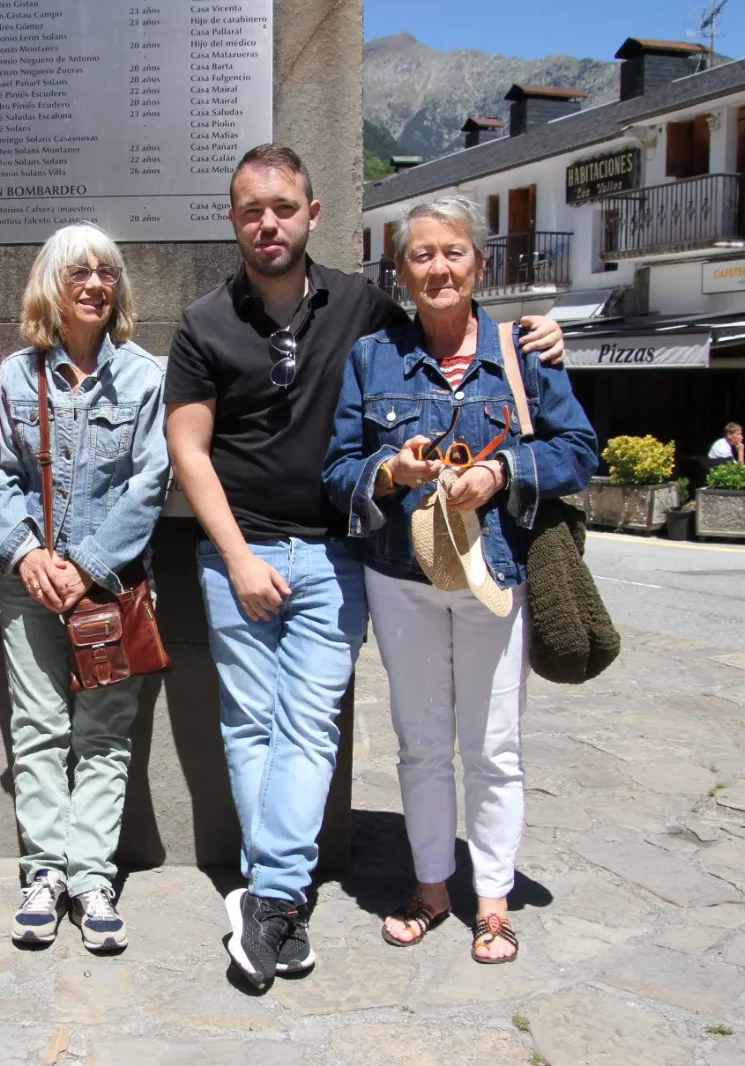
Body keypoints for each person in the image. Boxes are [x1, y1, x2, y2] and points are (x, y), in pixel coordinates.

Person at [163, 143, 567, 989]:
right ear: (232, 220)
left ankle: (269, 896)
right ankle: (279, 902)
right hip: (236, 556)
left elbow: (450, 331)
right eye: (249, 210)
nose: (266, 222)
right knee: (249, 727)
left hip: (339, 557)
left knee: (308, 727)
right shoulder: (203, 323)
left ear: (313, 215)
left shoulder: (363, 308)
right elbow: (187, 448)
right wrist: (236, 556)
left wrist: (537, 335)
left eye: (282, 207)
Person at [323, 195, 597, 965]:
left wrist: (505, 470)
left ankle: (493, 901)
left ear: (478, 262)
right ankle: (432, 886)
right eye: (421, 255)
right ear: (402, 271)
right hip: (402, 576)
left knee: (494, 746)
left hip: (493, 574)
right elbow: (339, 466)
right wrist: (389, 470)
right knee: (420, 741)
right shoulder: (372, 358)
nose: (438, 268)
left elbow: (580, 447)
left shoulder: (522, 351)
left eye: (453, 252)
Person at [0, 223, 170, 953]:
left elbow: (150, 482)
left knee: (102, 735)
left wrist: (85, 563)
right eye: (79, 272)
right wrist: (29, 554)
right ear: (50, 286)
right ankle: (44, 873)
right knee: (37, 729)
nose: (95, 284)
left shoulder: (145, 378)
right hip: (29, 585)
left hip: (108, 588)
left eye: (106, 272)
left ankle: (91, 875)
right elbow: (0, 476)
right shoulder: (13, 376)